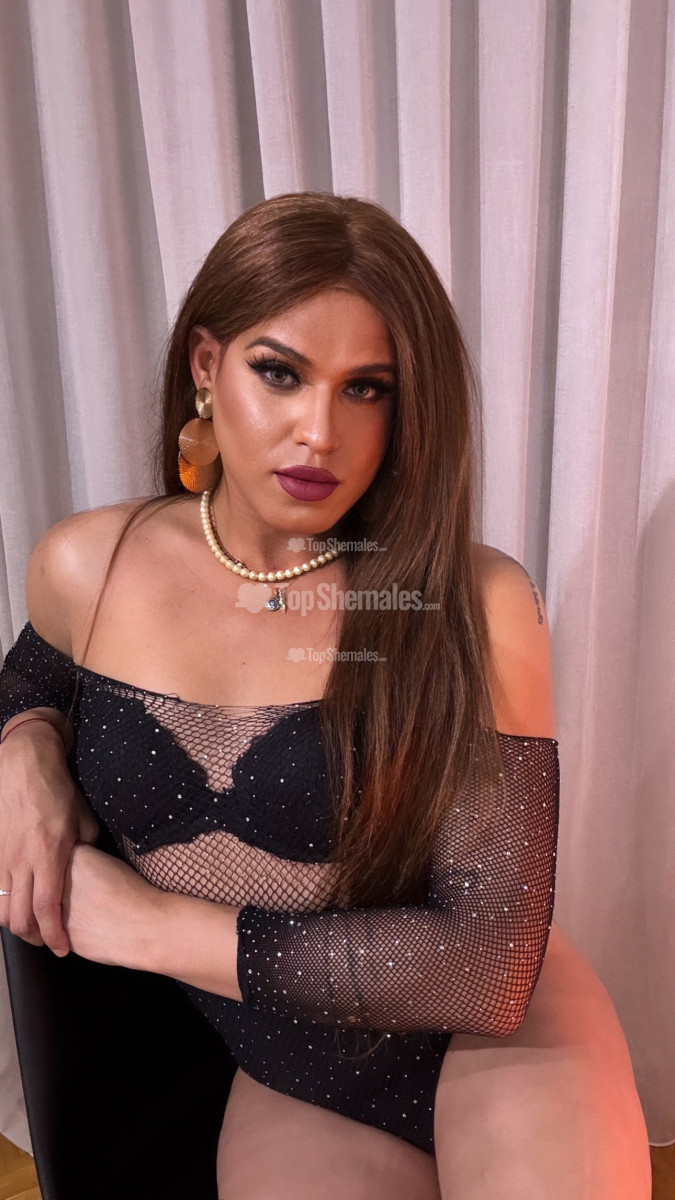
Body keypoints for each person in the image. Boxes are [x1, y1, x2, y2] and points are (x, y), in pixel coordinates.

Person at [0, 192, 651, 1199]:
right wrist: (26, 745)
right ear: (207, 365)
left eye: (366, 389)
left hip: (490, 1036)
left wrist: (151, 927)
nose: (319, 431)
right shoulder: (90, 565)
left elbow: (485, 967)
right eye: (280, 372)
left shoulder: (469, 600)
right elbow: (34, 676)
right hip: (294, 1062)